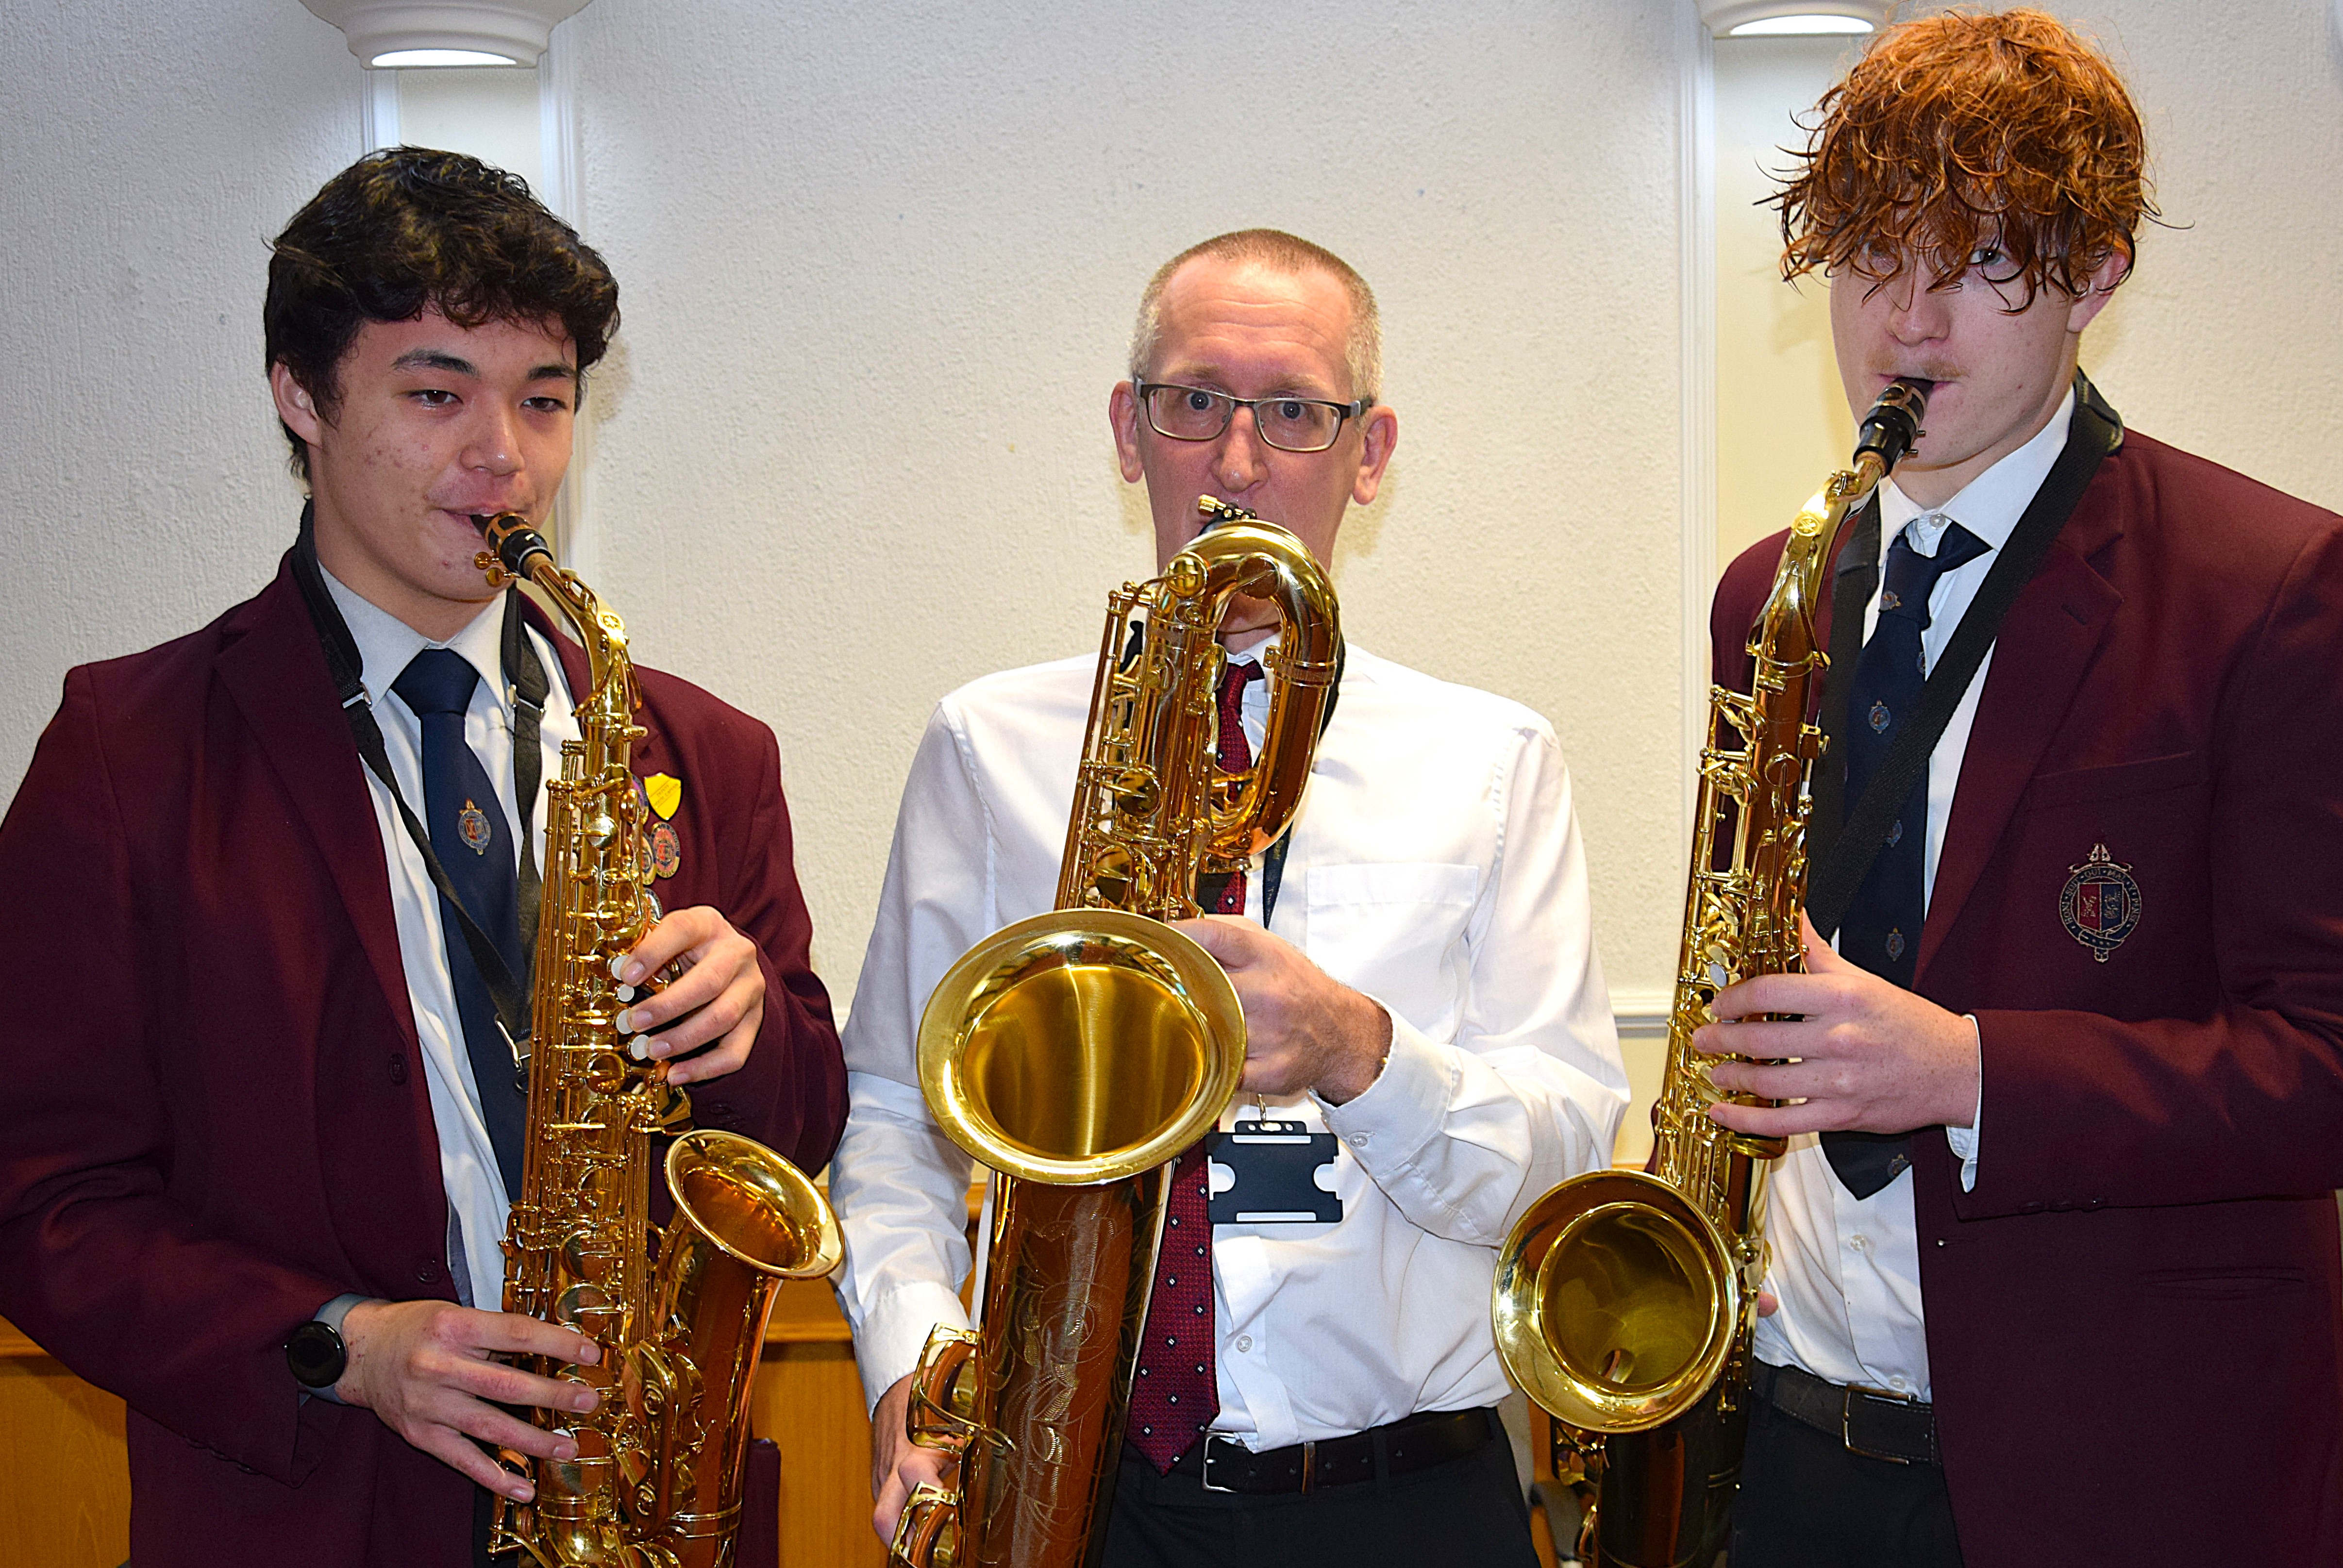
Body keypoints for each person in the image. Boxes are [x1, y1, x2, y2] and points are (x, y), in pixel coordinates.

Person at [0, 149, 848, 1568]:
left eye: (545, 398)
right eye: (436, 392)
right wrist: (345, 1346)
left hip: (648, 1498)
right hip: (311, 1509)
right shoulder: (127, 751)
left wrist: (749, 1026)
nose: (502, 456)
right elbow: (40, 1200)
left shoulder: (706, 750)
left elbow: (797, 1137)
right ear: (300, 396)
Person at [830, 229, 1627, 1566]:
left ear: (1368, 454)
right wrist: (911, 1364)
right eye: (1195, 402)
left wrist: (1358, 1052)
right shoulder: (986, 744)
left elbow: (1563, 1169)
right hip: (1073, 1497)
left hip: (1401, 1505)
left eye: (1295, 413)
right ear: (1127, 431)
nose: (1239, 462)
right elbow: (896, 1121)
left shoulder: (1496, 758)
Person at [1696, 12, 2343, 1566]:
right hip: (1794, 1431)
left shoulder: (2274, 584)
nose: (1906, 323)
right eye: (1867, 256)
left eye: (1978, 263)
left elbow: (2326, 1064)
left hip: (2124, 1471)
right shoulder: (1763, 596)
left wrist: (1971, 1072)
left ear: (2097, 274)